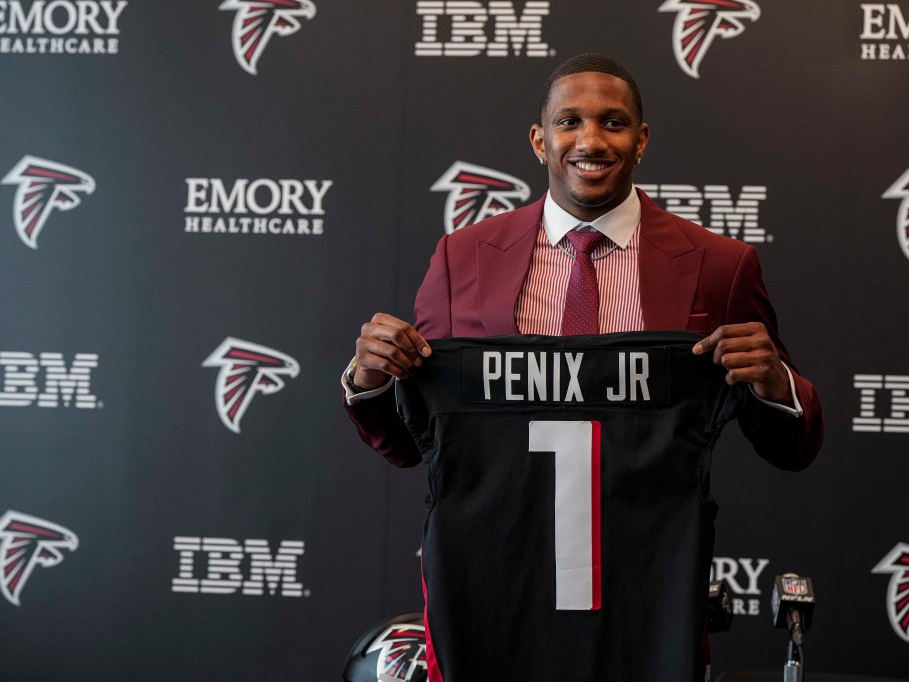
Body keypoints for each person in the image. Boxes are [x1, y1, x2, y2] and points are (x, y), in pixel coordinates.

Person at [342, 54, 823, 680]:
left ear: (641, 140)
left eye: (614, 123)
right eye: (569, 121)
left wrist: (774, 383)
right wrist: (371, 381)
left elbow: (794, 446)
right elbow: (417, 442)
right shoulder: (463, 257)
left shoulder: (719, 264)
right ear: (540, 139)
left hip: (646, 602)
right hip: (499, 591)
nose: (591, 141)